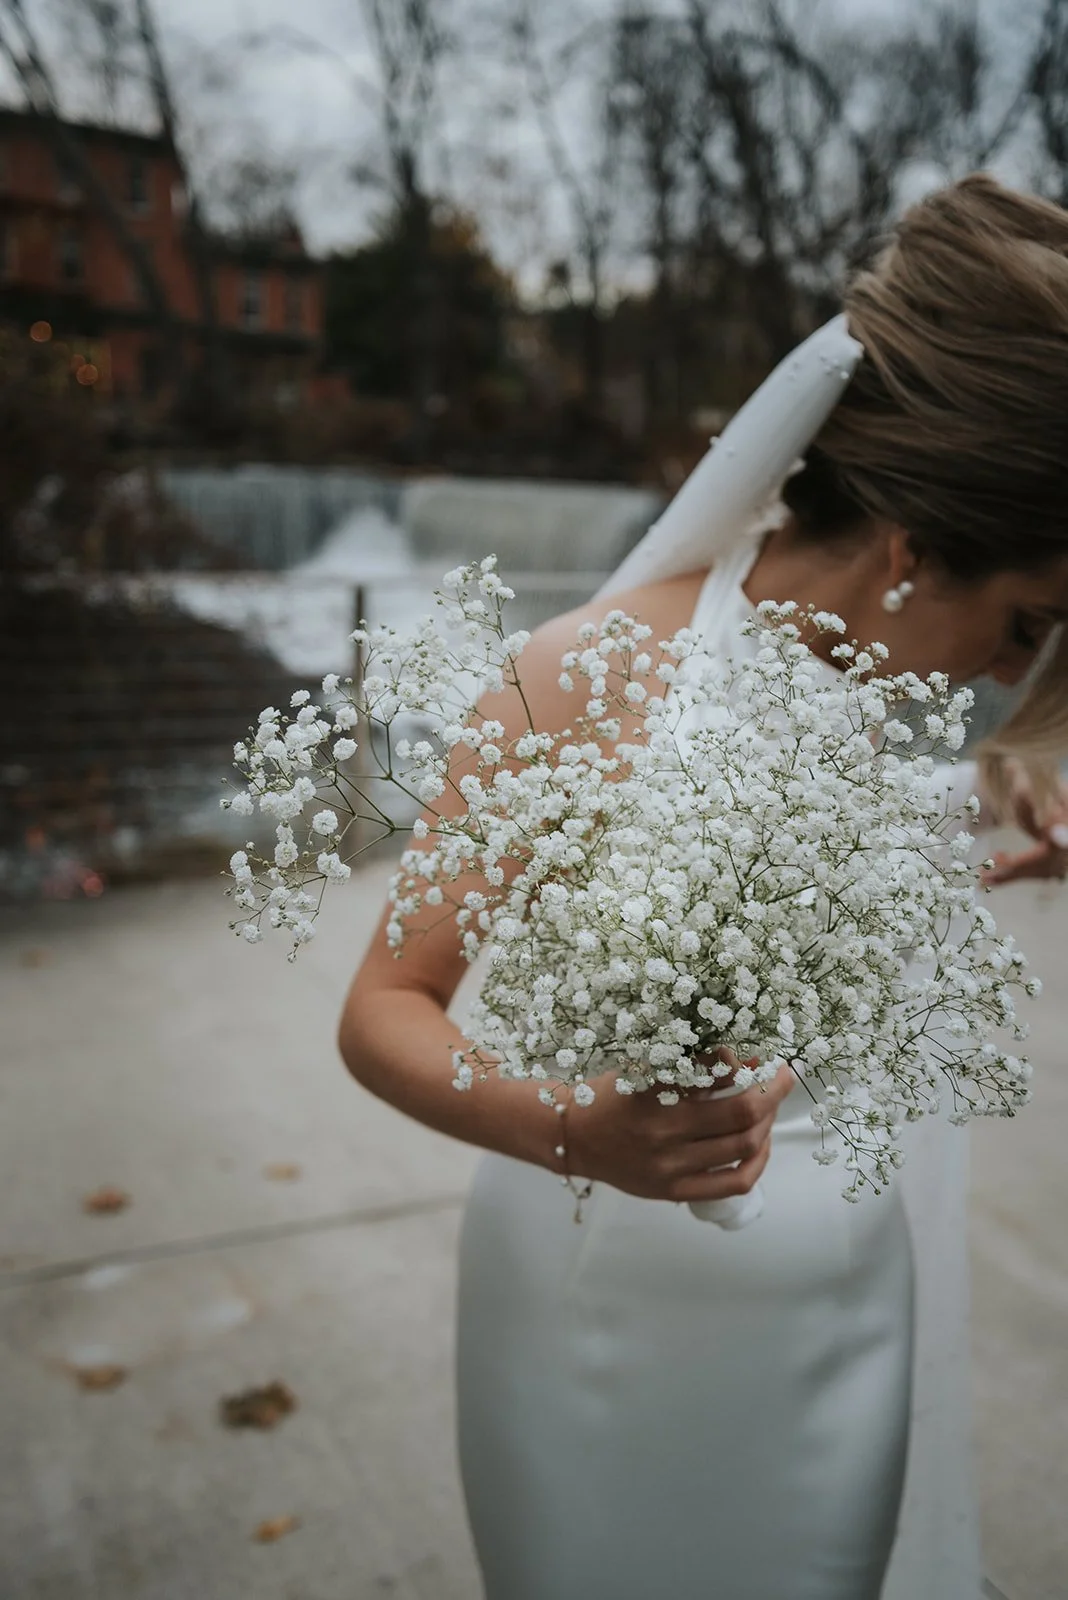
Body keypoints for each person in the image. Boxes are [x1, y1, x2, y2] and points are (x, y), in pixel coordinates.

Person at [337, 175, 1068, 1599]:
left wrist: (998, 841)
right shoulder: (580, 675)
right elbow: (386, 1007)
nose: (1011, 677)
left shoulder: (887, 713)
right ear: (913, 550)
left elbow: (835, 947)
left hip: (846, 1321)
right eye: (1024, 624)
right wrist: (577, 1130)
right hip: (592, 1314)